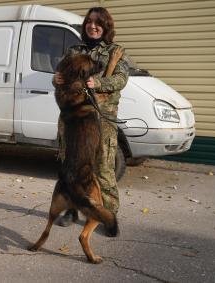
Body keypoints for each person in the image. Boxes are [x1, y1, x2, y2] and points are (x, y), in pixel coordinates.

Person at [54, 7, 129, 226]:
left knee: (104, 167)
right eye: (89, 22)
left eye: (98, 23)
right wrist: (56, 79)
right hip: (74, 120)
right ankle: (71, 210)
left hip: (102, 120)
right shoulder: (74, 50)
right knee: (72, 167)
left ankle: (108, 216)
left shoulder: (115, 51)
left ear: (106, 26)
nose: (93, 26)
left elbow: (121, 80)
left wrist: (98, 83)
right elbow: (61, 75)